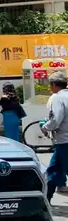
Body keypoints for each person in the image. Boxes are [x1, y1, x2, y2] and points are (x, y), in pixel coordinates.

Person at [43, 72, 68, 201]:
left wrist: (46, 127)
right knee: (54, 170)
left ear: (53, 84)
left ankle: (45, 199)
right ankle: (46, 199)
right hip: (63, 141)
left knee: (55, 168)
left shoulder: (57, 98)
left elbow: (56, 118)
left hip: (64, 140)